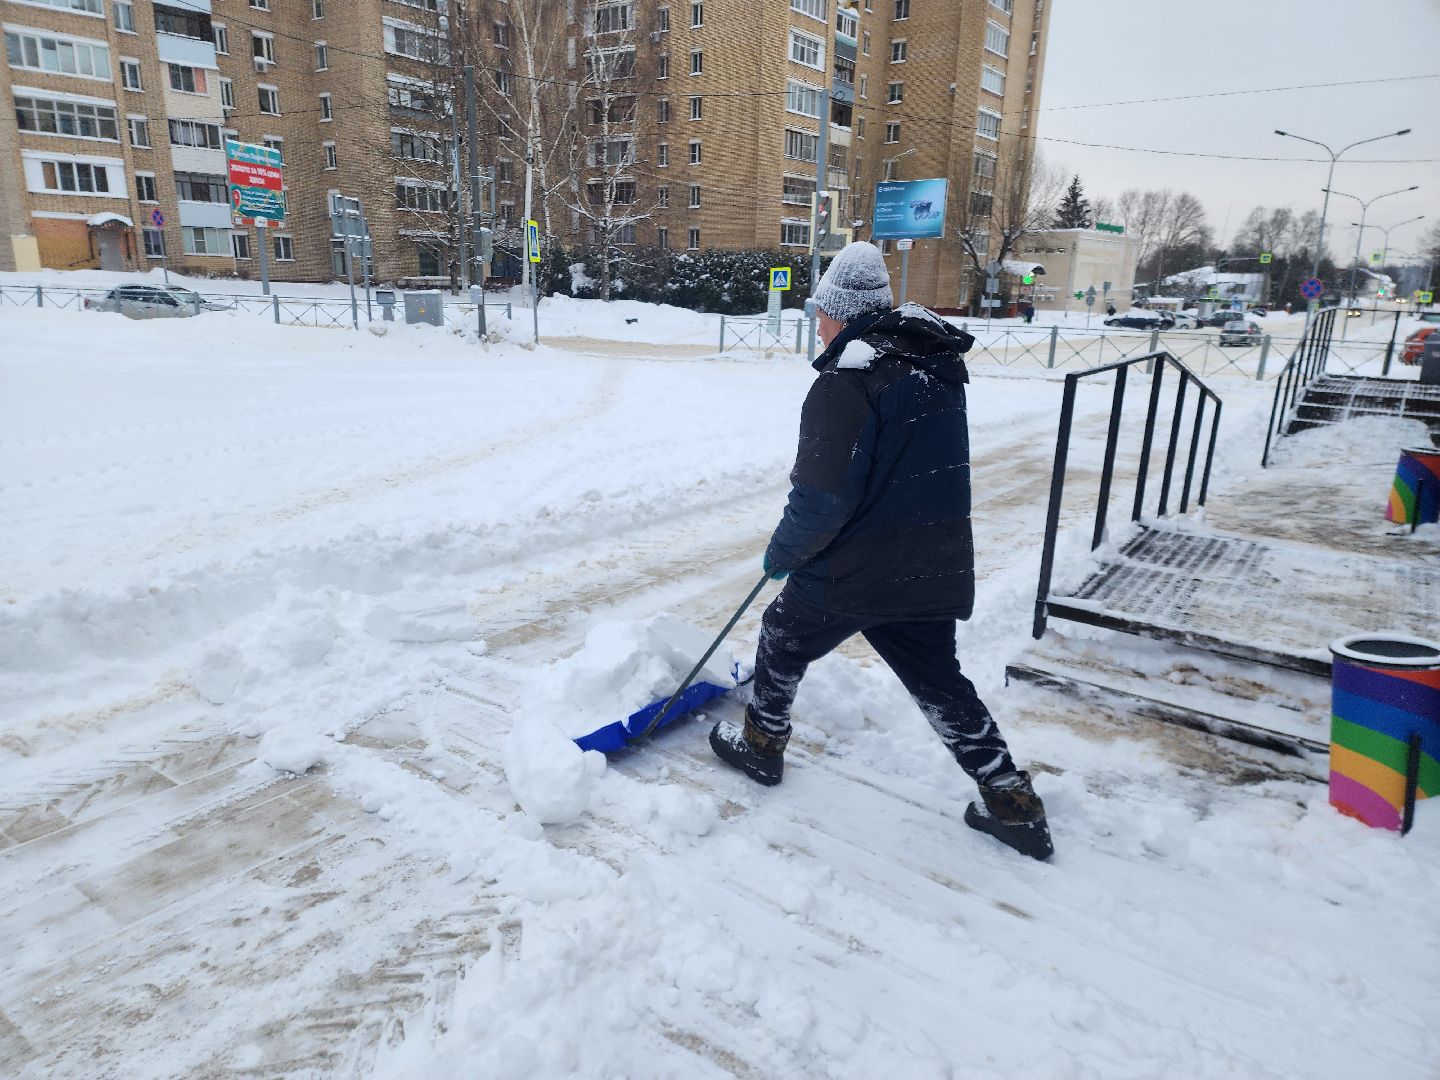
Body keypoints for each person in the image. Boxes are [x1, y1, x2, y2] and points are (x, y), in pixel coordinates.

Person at [709, 242, 1053, 861]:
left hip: (857, 568)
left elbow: (821, 499)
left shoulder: (847, 382)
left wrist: (783, 555)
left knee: (782, 636)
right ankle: (1011, 801)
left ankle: (761, 747)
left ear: (840, 313)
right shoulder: (933, 369)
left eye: (821, 313)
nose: (818, 325)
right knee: (939, 680)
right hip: (931, 561)